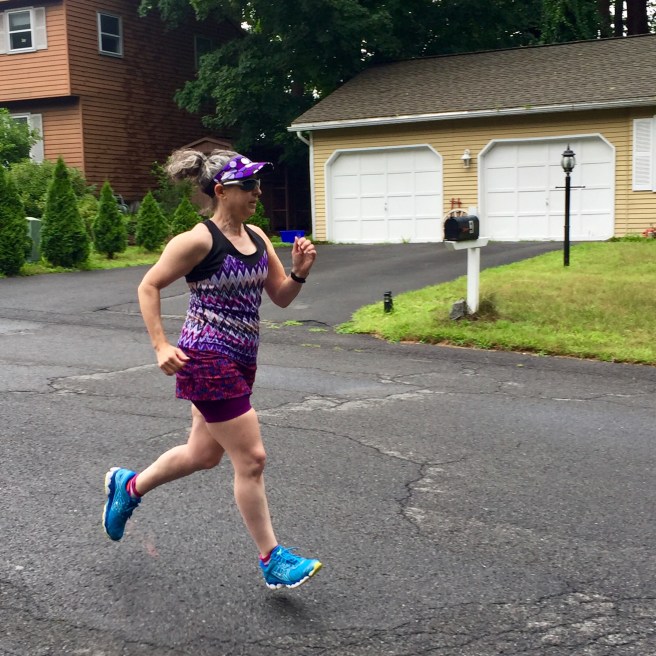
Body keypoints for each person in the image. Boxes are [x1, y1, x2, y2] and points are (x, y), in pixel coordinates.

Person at [102, 149, 321, 590]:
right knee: (252, 459)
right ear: (221, 191)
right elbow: (148, 285)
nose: (258, 192)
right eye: (248, 185)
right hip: (205, 358)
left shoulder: (258, 237)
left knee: (202, 455)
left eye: (258, 184)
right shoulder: (197, 241)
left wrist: (299, 273)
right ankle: (272, 559)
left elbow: (279, 296)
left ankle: (129, 487)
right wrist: (161, 345)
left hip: (242, 358)